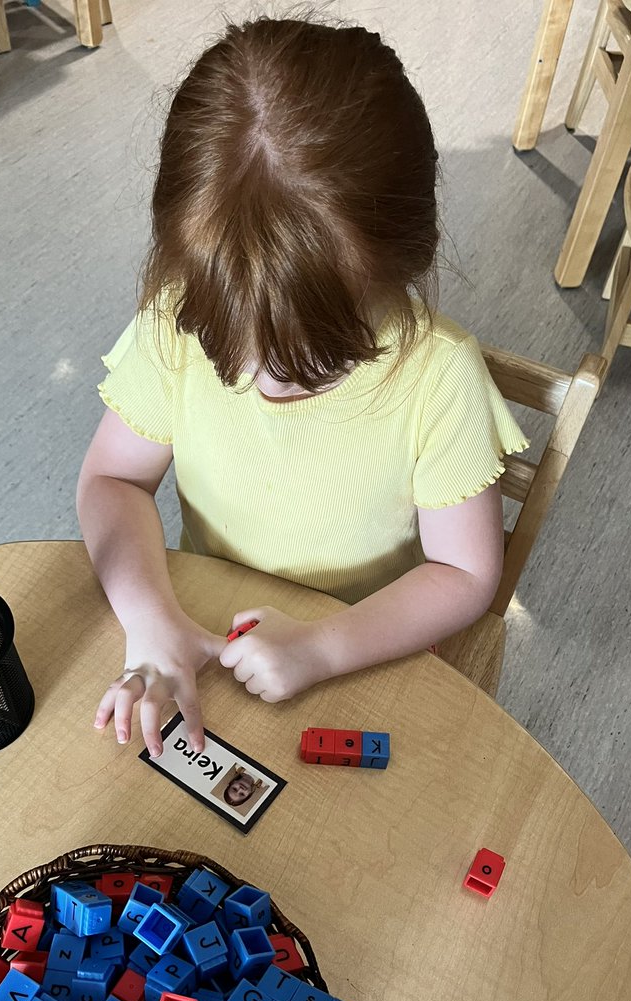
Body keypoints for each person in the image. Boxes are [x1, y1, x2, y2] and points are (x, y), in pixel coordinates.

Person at [77, 17, 528, 759]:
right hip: (199, 626)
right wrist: (150, 620)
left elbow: (466, 572)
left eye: (315, 356)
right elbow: (112, 477)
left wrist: (323, 647)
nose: (264, 381)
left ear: (401, 265)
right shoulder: (173, 317)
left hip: (360, 649)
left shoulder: (440, 375)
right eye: (224, 345)